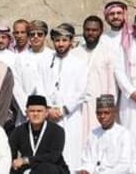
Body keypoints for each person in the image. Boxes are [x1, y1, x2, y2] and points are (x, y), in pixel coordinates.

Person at [41, 24, 87, 171]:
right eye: (57, 40)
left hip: (70, 116)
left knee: (70, 152)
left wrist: (64, 110)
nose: (60, 44)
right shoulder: (45, 62)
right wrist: (48, 108)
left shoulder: (79, 63)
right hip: (49, 115)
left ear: (71, 41)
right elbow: (40, 86)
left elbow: (81, 91)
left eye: (64, 40)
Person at [73, 16, 117, 143]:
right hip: (77, 105)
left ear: (101, 32)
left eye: (94, 30)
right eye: (87, 30)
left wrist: (109, 107)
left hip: (99, 104)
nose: (90, 33)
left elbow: (112, 85)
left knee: (98, 139)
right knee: (77, 138)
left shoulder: (108, 53)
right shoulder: (75, 53)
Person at [8, 95, 69, 174]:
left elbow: (53, 157)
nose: (35, 114)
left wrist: (27, 160)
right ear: (26, 113)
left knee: (46, 168)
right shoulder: (18, 131)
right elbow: (10, 155)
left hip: (52, 170)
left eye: (39, 111)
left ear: (46, 113)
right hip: (27, 169)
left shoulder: (57, 131)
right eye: (32, 111)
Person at [77, 95, 135, 174]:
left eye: (106, 113)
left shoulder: (124, 134)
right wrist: (86, 170)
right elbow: (87, 160)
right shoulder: (93, 134)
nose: (102, 116)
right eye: (99, 113)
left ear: (114, 113)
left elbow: (125, 166)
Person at [12, 20, 53, 124]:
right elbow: (16, 85)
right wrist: (27, 107)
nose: (36, 37)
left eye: (39, 34)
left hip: (49, 111)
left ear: (45, 35)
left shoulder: (53, 56)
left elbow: (56, 84)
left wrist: (49, 107)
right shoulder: (20, 58)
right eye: (32, 34)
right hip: (26, 112)